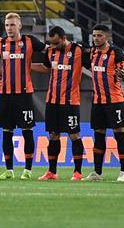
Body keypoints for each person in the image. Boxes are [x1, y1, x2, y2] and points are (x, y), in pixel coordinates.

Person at [0, 12, 46, 180]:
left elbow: (49, 52)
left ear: (20, 26)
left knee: (27, 131)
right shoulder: (0, 43)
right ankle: (9, 170)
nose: (9, 28)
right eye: (7, 25)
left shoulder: (30, 41)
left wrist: (44, 65)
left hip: (24, 94)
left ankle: (27, 170)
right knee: (7, 132)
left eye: (12, 25)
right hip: (6, 95)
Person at [30, 26, 88, 181]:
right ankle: (52, 172)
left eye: (56, 43)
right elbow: (45, 68)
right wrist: (27, 65)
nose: (53, 46)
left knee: (74, 135)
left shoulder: (78, 50)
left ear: (64, 38)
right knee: (53, 135)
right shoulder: (50, 51)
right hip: (52, 101)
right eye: (51, 43)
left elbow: (92, 66)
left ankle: (77, 172)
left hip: (70, 102)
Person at [85, 25, 124, 182]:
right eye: (94, 35)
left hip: (114, 101)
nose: (96, 38)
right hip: (97, 102)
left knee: (119, 135)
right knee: (98, 136)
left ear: (107, 37)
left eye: (99, 35)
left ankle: (123, 172)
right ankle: (97, 172)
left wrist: (123, 75)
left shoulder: (116, 53)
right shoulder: (92, 52)